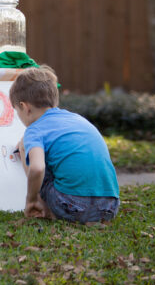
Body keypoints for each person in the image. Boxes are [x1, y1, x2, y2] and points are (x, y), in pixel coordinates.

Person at [10, 66, 120, 223]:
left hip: (72, 205)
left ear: (24, 107)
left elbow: (37, 167)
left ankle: (41, 207)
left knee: (24, 147)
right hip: (109, 207)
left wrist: (30, 199)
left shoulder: (34, 131)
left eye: (17, 112)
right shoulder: (77, 119)